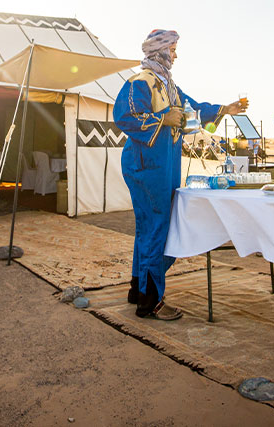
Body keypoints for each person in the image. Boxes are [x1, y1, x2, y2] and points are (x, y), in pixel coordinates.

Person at [113, 29, 246, 321]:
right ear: (159, 50)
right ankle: (151, 303)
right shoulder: (141, 82)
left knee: (149, 227)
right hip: (146, 165)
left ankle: (139, 289)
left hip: (164, 165)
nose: (176, 54)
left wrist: (226, 108)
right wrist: (162, 118)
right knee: (156, 228)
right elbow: (124, 115)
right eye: (172, 48)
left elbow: (192, 109)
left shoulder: (169, 85)